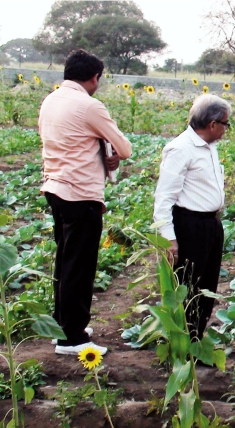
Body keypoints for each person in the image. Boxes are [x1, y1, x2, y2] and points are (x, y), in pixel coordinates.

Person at [39, 49, 132, 356]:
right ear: (94, 78)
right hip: (80, 193)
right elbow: (125, 148)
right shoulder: (89, 106)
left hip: (55, 188)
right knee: (79, 266)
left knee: (65, 262)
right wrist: (113, 156)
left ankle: (62, 327)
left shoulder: (50, 101)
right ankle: (73, 339)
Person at [153, 94, 232, 341]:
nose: (226, 129)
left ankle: (196, 338)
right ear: (212, 124)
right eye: (225, 124)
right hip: (189, 226)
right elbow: (164, 197)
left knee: (207, 286)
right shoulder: (180, 148)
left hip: (210, 224)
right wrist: (169, 239)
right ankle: (182, 342)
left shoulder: (209, 147)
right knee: (189, 286)